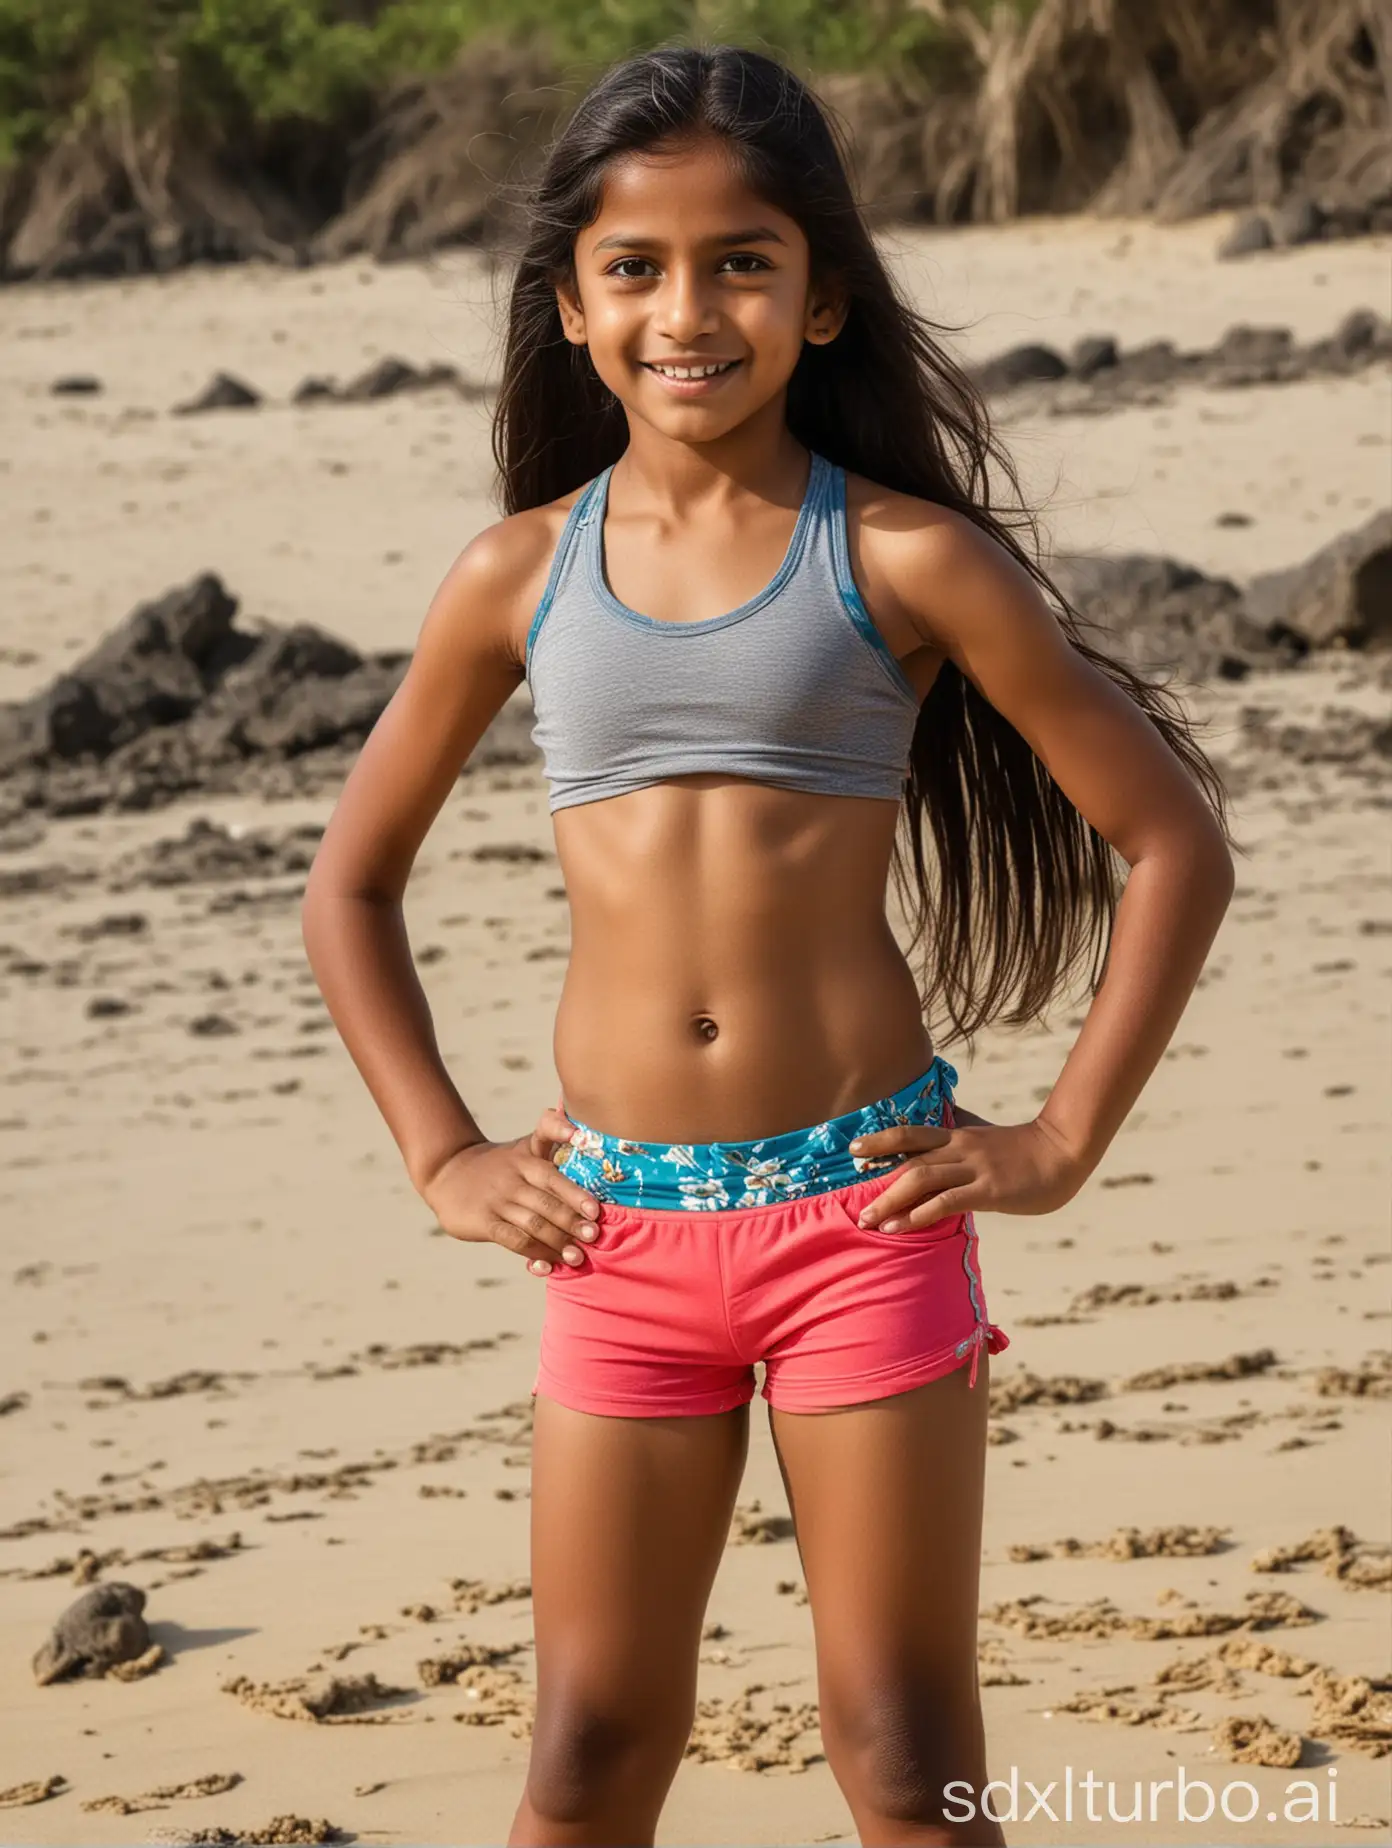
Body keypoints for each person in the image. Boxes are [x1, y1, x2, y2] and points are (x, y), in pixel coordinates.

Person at [300, 43, 1234, 1848]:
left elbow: (1171, 839)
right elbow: (350, 884)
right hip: (621, 1226)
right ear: (570, 305)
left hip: (859, 1217)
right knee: (584, 1757)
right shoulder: (516, 577)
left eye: (743, 260)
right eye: (636, 268)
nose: (687, 308)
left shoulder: (904, 558)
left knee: (904, 1757)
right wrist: (443, 1150)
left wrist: (1055, 1139)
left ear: (819, 300)